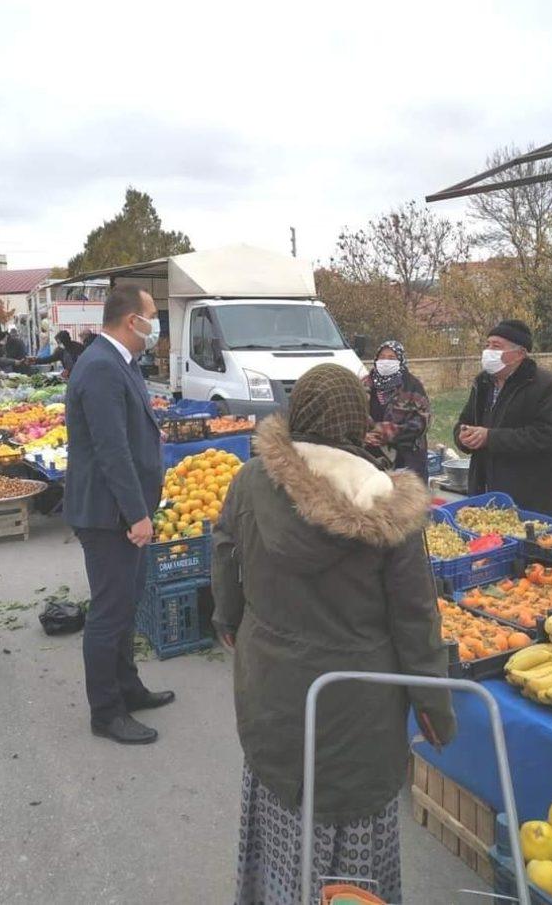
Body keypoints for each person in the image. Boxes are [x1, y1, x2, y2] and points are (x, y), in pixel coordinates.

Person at [212, 363, 455, 905]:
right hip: (356, 714)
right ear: (357, 422)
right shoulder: (389, 506)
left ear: (297, 415)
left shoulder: (252, 480)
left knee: (280, 816)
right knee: (350, 854)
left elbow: (225, 552)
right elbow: (416, 619)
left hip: (271, 690)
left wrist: (227, 621)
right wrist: (435, 708)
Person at [64, 284, 172, 745]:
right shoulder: (102, 368)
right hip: (109, 514)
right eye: (152, 315)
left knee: (126, 604)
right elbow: (113, 452)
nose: (155, 323)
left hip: (124, 511)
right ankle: (105, 711)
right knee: (109, 612)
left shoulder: (119, 363)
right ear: (133, 320)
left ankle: (128, 686)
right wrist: (136, 514)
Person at [454, 319, 552, 517]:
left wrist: (490, 438)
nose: (488, 352)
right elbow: (465, 420)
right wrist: (463, 437)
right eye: (487, 345)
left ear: (520, 354)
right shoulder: (483, 383)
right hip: (484, 492)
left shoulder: (545, 385)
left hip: (528, 497)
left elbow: (547, 436)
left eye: (496, 346)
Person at [364, 339, 432, 481]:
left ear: (400, 360)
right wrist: (363, 436)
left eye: (391, 358)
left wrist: (388, 432)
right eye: (382, 357)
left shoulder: (412, 385)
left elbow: (422, 422)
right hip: (369, 458)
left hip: (407, 459)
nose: (385, 361)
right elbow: (353, 415)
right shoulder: (365, 384)